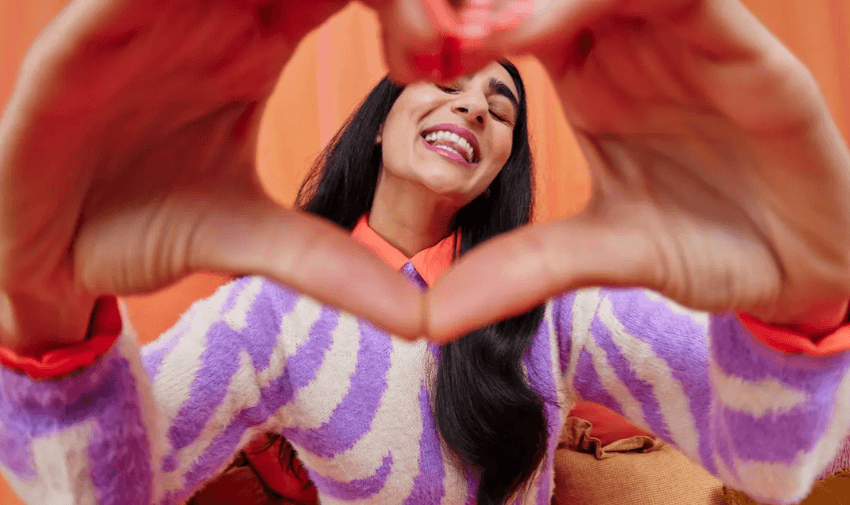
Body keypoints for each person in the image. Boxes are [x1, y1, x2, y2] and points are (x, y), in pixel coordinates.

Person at [1, 1, 850, 505]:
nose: (475, 107)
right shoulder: (270, 314)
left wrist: (807, 315)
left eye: (502, 105)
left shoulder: (557, 304)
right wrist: (45, 321)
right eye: (449, 85)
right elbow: (106, 485)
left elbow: (779, 454)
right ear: (380, 118)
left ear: (497, 171)